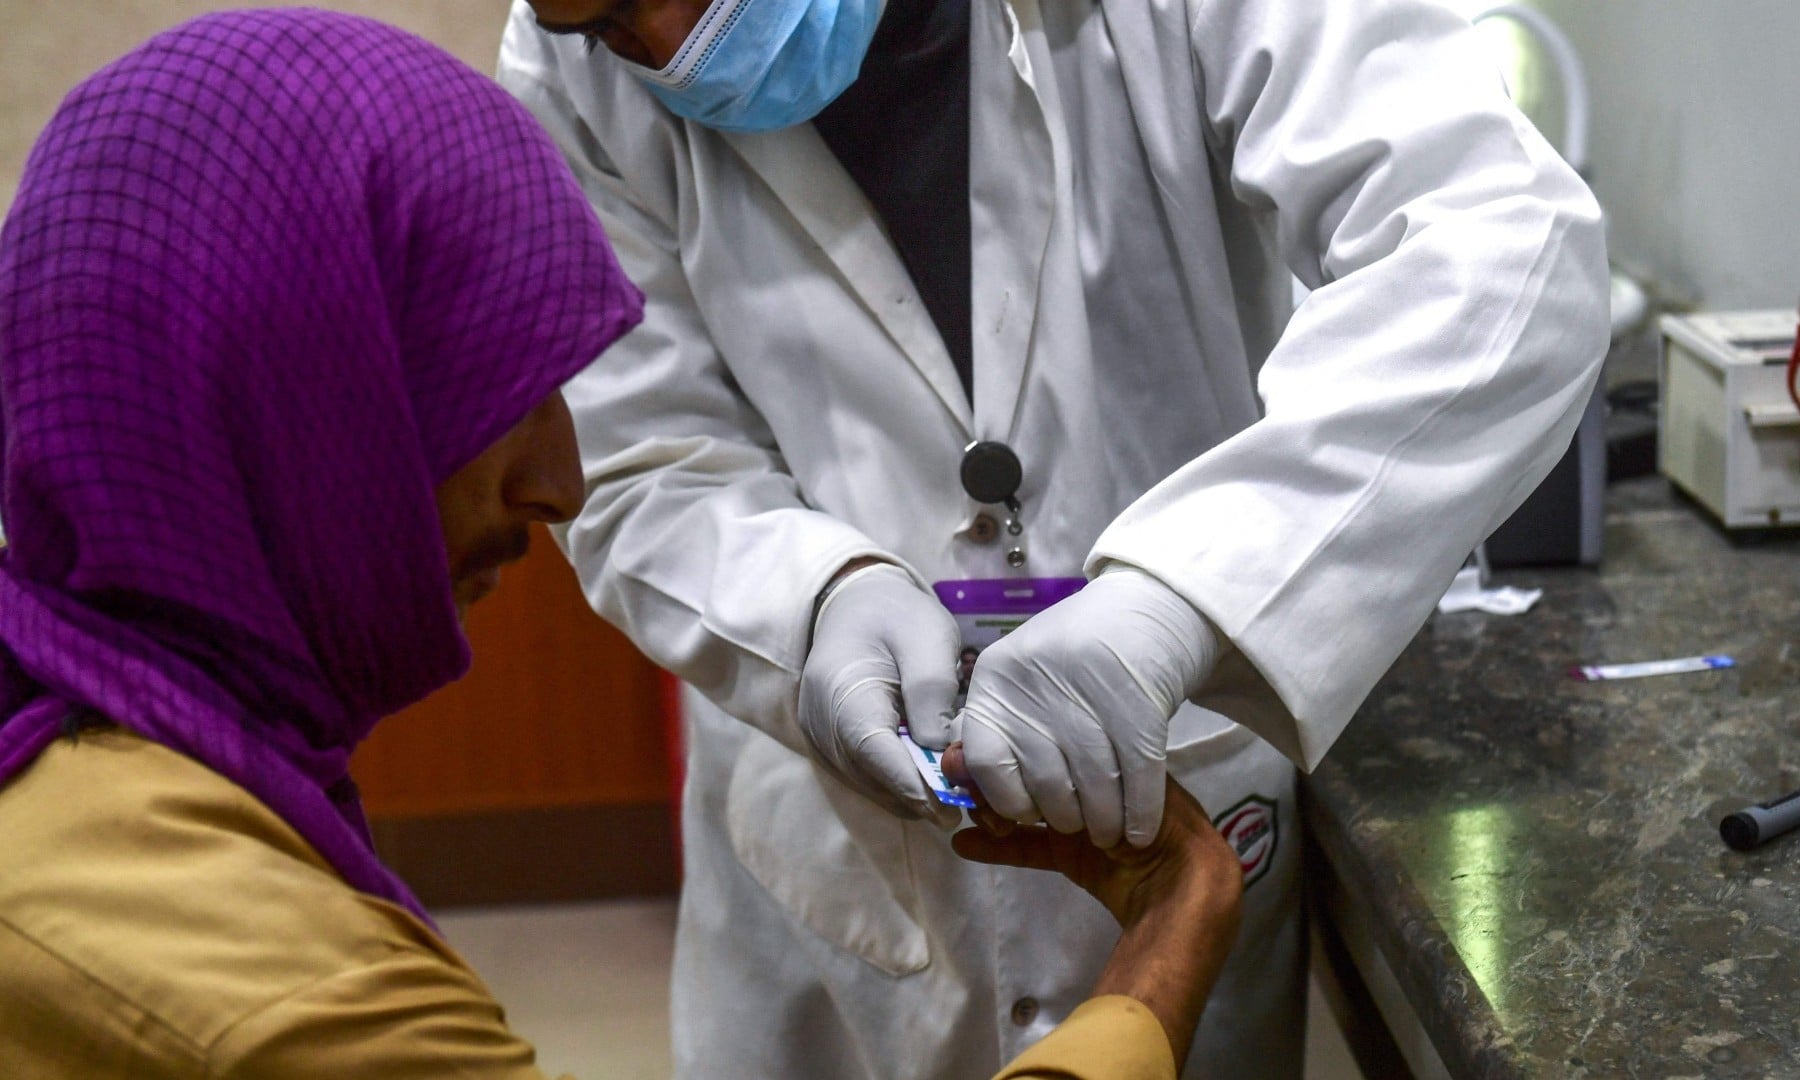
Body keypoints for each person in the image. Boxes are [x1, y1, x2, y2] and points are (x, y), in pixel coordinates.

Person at [0, 11, 1242, 1078]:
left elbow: (1439, 260)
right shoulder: (300, 1006)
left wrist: (1187, 603)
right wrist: (1173, 944)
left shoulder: (83, 799)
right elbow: (652, 454)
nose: (562, 483)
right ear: (293, 420)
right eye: (482, 393)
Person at [496, 0, 1611, 1075]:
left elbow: (1500, 250)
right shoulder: (571, 80)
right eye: (592, 24)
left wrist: (1189, 597)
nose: (663, 51)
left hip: (1185, 772)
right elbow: (634, 450)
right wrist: (811, 602)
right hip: (833, 861)